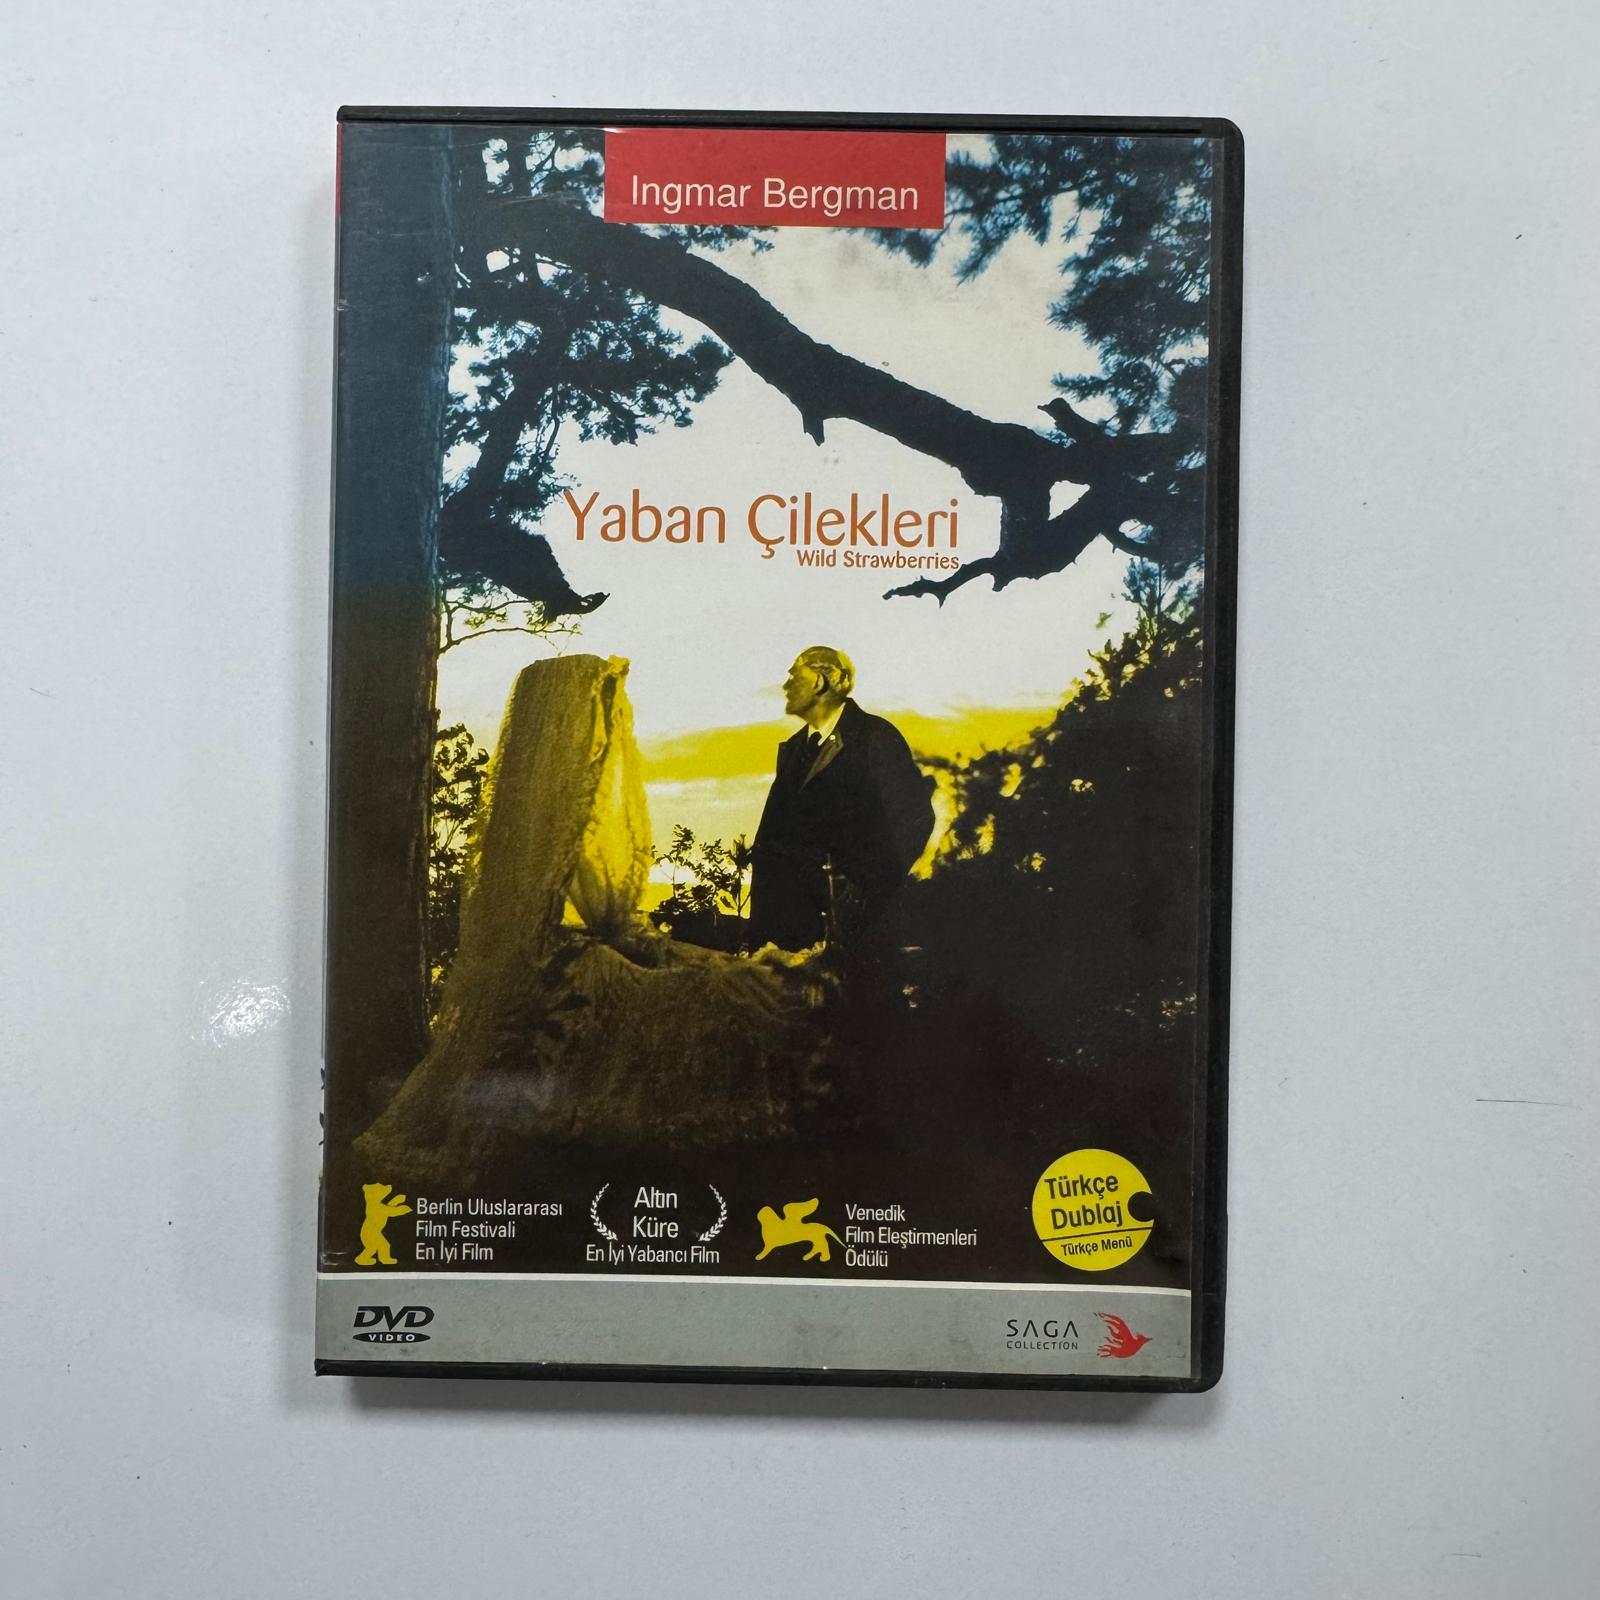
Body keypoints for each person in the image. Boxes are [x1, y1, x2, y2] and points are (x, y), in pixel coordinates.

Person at [748, 646, 935, 954]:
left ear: (820, 682)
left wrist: (865, 887)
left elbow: (914, 818)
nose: (785, 685)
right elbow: (773, 842)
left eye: (794, 675)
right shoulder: (794, 749)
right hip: (790, 935)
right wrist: (759, 929)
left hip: (854, 933)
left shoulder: (875, 737)